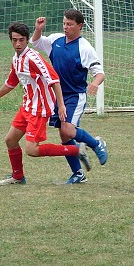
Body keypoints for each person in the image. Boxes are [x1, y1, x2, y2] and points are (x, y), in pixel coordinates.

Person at [0, 21, 81, 185]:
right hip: (27, 106)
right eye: (14, 40)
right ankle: (18, 177)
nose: (18, 43)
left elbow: (54, 79)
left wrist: (61, 105)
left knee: (32, 150)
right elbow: (10, 83)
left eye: (21, 39)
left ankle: (76, 150)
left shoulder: (34, 58)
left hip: (40, 108)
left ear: (27, 40)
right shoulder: (16, 59)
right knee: (10, 140)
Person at [31, 9, 108, 184]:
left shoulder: (85, 48)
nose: (66, 27)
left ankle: (96, 144)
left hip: (75, 95)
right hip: (57, 95)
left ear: (79, 26)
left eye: (70, 24)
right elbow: (36, 42)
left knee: (68, 130)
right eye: (64, 23)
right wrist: (38, 29)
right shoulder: (55, 39)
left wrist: (95, 83)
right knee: (64, 136)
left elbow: (100, 73)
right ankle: (78, 174)